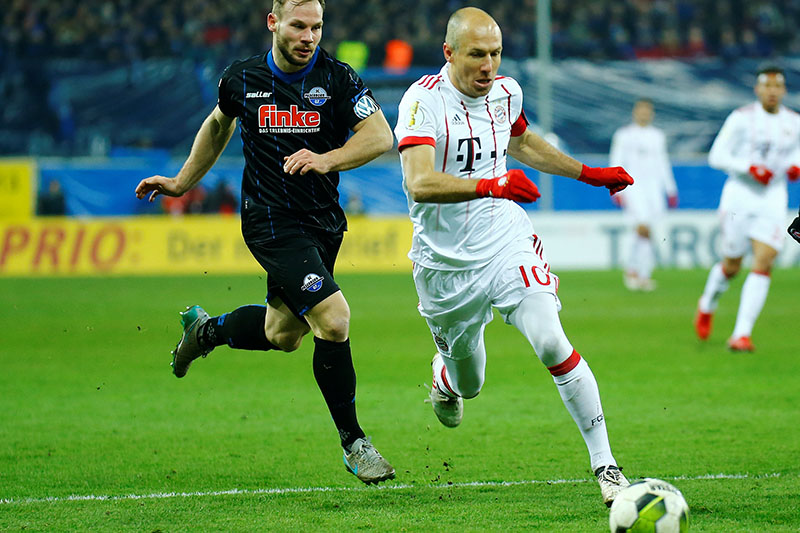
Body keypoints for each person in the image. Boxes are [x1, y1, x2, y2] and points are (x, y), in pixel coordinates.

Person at [135, 0, 395, 485]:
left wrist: (327, 159)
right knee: (334, 319)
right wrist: (182, 182)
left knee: (283, 334)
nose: (309, 37)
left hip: (323, 223)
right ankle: (354, 442)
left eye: (317, 27)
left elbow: (380, 136)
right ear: (273, 22)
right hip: (270, 221)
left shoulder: (338, 78)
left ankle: (206, 332)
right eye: (299, 26)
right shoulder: (241, 78)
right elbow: (218, 125)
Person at [394, 7, 634, 507]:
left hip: (505, 239)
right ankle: (445, 376)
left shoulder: (507, 93)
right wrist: (491, 184)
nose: (488, 66)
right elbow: (418, 182)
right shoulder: (422, 101)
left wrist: (588, 174)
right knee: (470, 383)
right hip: (443, 266)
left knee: (550, 340)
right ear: (449, 53)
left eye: (496, 54)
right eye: (476, 55)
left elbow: (521, 141)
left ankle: (607, 466)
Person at [694, 65, 800, 352]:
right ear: (757, 89)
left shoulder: (794, 122)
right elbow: (716, 155)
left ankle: (741, 334)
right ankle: (708, 303)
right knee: (732, 265)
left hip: (772, 198)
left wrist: (795, 166)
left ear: (784, 90)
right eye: (767, 86)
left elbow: (797, 152)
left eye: (777, 86)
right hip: (739, 197)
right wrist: (748, 167)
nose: (772, 91)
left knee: (764, 261)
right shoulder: (741, 118)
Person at [609, 98, 678, 291]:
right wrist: (614, 187)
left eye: (647, 111)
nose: (644, 114)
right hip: (633, 186)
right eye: (641, 110)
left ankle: (644, 274)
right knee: (641, 226)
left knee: (650, 229)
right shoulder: (624, 135)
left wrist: (670, 189)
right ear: (635, 112)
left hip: (654, 188)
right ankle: (632, 270)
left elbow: (663, 163)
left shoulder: (657, 136)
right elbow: (616, 160)